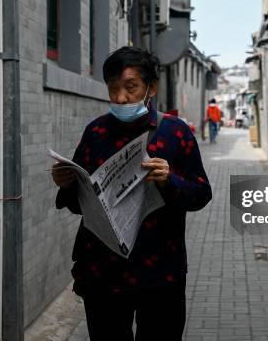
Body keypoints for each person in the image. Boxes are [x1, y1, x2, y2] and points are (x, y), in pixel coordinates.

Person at [51, 46, 212, 341]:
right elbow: (79, 206)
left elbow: (201, 193)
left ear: (151, 87)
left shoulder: (175, 132)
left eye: (130, 87)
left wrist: (170, 180)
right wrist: (67, 185)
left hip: (161, 273)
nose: (121, 98)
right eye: (113, 89)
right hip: (104, 274)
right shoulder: (95, 133)